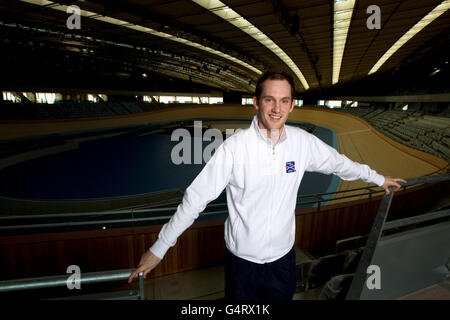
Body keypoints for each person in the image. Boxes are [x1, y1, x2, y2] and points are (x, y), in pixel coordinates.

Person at [128, 70, 406, 300]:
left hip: (283, 260)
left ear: (292, 105)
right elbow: (195, 200)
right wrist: (159, 249)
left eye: (284, 101)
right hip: (241, 263)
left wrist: (378, 178)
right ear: (257, 102)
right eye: (270, 100)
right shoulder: (234, 149)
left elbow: (340, 164)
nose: (277, 109)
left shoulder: (302, 143)